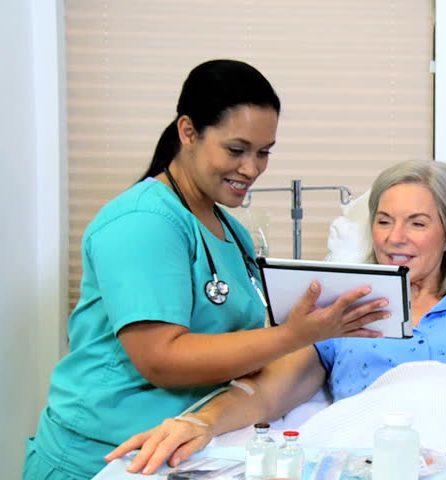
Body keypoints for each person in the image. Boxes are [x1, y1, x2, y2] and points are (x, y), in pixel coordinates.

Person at [22, 60, 387, 480]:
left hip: (179, 453)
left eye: (264, 152)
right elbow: (161, 359)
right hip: (101, 457)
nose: (251, 168)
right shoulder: (142, 222)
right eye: (236, 150)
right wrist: (293, 336)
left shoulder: (230, 230)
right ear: (188, 132)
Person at [108, 160, 446, 480]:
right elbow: (265, 394)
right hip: (371, 455)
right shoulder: (339, 317)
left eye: (417, 223)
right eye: (384, 221)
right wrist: (202, 424)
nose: (395, 238)